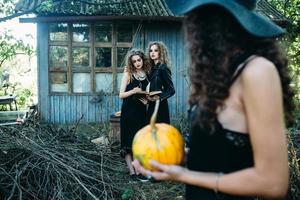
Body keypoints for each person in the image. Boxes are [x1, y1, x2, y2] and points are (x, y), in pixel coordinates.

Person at [133, 0, 294, 199]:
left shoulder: (257, 72)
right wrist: (174, 158)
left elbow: (273, 183)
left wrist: (187, 176)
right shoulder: (216, 75)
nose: (191, 24)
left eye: (196, 15)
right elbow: (223, 156)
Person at [119, 49, 151, 182]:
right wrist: (133, 91)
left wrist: (147, 99)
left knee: (139, 142)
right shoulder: (128, 74)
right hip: (128, 112)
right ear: (131, 63)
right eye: (134, 61)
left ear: (143, 59)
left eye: (139, 60)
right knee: (128, 142)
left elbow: (147, 94)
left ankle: (139, 171)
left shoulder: (147, 75)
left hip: (141, 112)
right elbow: (121, 95)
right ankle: (132, 174)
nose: (137, 63)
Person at [146, 41, 175, 124]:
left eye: (156, 50)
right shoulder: (151, 69)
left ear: (161, 52)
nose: (153, 53)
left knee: (160, 131)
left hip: (160, 105)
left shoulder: (163, 68)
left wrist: (160, 97)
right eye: (151, 51)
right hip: (151, 103)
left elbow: (171, 90)